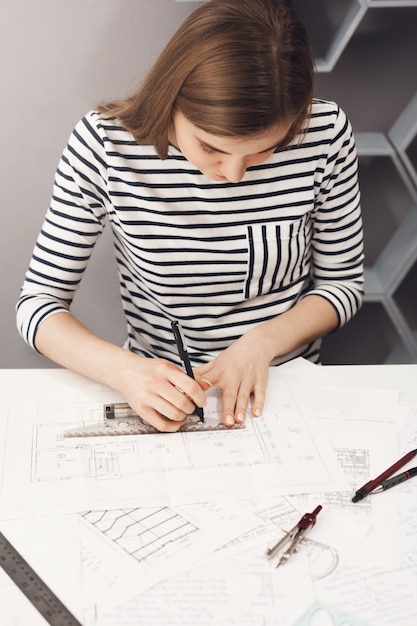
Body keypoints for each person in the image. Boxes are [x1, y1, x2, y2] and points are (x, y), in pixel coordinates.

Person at [16, 0, 364, 432]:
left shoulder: (325, 134)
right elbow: (38, 307)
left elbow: (343, 285)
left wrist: (263, 342)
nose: (233, 176)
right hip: (161, 400)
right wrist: (126, 372)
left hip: (285, 395)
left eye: (262, 152)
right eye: (212, 148)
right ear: (172, 98)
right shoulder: (105, 146)